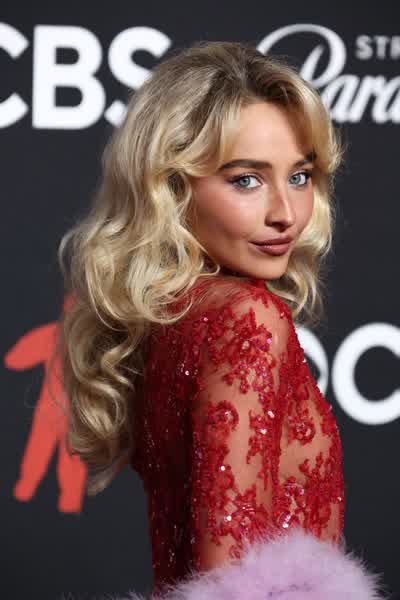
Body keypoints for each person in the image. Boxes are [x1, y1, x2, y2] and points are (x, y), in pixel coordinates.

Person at [56, 41, 387, 598]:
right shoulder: (246, 319)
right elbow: (229, 580)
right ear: (172, 189)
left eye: (299, 176)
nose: (286, 214)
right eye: (246, 180)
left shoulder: (173, 317)